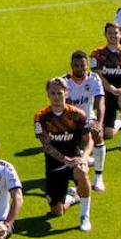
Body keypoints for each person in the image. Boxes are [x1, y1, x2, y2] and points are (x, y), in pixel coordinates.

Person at [34, 77, 93, 231]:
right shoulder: (41, 117)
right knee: (56, 212)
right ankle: (72, 197)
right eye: (53, 93)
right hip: (54, 165)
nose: (56, 97)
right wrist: (64, 160)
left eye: (59, 93)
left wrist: (84, 158)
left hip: (74, 161)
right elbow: (46, 145)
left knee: (82, 172)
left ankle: (84, 216)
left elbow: (89, 140)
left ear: (66, 93)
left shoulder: (78, 115)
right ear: (48, 94)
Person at [92, 23, 121, 152]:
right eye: (110, 33)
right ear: (105, 34)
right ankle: (118, 123)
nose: (113, 35)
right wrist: (111, 88)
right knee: (108, 134)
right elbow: (97, 76)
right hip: (106, 94)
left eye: (116, 32)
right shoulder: (97, 54)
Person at [65, 50, 108, 192]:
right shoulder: (64, 82)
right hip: (69, 121)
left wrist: (99, 124)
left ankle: (98, 177)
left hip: (88, 118)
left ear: (87, 65)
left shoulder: (94, 79)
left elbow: (100, 102)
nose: (79, 69)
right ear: (71, 65)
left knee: (97, 134)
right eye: (76, 65)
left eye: (82, 65)